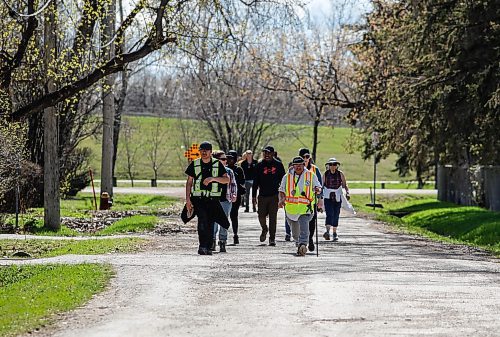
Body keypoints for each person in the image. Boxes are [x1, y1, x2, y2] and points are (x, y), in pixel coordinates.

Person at [185, 141, 230, 255]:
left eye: (206, 150)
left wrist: (212, 179)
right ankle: (202, 246)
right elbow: (189, 182)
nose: (204, 152)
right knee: (202, 221)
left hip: (213, 199)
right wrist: (188, 200)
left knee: (211, 222)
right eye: (202, 150)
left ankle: (209, 246)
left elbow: (226, 180)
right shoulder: (194, 164)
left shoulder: (217, 164)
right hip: (198, 199)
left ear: (211, 152)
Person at [278, 156, 322, 256]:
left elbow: (319, 187)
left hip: (306, 207)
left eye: (300, 165)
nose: (298, 167)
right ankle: (299, 243)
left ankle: (303, 244)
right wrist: (281, 200)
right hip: (291, 209)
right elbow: (281, 190)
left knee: (304, 225)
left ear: (304, 165)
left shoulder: (311, 175)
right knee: (295, 233)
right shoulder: (287, 176)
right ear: (293, 166)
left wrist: (317, 190)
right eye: (296, 165)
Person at [252, 145, 286, 246]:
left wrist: (283, 195)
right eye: (265, 153)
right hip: (262, 195)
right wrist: (253, 196)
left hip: (274, 195)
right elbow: (255, 181)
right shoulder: (259, 165)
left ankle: (272, 238)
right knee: (261, 215)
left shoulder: (278, 165)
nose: (266, 155)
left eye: (268, 153)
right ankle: (264, 229)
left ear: (273, 154)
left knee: (273, 217)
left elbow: (283, 181)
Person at [297, 148, 324, 252]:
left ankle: (310, 238)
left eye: (307, 157)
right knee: (300, 222)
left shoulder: (314, 169)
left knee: (312, 221)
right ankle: (301, 240)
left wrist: (320, 199)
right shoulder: (294, 169)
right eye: (303, 157)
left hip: (311, 201)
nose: (305, 159)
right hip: (298, 202)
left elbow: (319, 186)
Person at [211, 150, 236, 252]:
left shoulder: (229, 171)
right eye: (223, 159)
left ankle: (222, 241)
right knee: (213, 222)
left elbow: (233, 184)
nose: (226, 161)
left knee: (224, 221)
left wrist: (234, 194)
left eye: (226, 159)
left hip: (226, 200)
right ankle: (212, 241)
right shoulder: (211, 171)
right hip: (213, 200)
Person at [322, 157, 350, 242]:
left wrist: (347, 192)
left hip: (337, 196)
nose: (333, 166)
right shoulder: (326, 174)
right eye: (331, 164)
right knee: (329, 213)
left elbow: (345, 184)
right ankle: (327, 231)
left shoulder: (340, 174)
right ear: (328, 166)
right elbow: (322, 185)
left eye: (334, 164)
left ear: (337, 166)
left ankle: (334, 232)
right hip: (328, 196)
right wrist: (319, 195)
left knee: (336, 214)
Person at [227, 150, 245, 244]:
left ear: (235, 159)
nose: (229, 160)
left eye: (231, 158)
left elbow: (242, 181)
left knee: (234, 215)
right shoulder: (224, 168)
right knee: (224, 216)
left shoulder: (238, 169)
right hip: (225, 195)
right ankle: (224, 236)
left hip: (235, 195)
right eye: (228, 158)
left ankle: (235, 234)